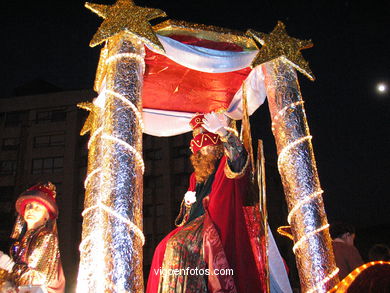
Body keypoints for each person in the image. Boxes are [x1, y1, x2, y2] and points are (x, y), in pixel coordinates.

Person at [146, 112, 264, 292]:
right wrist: (187, 204)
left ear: (217, 150)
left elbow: (239, 161)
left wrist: (224, 133)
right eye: (201, 153)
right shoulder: (196, 177)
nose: (204, 155)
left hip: (215, 221)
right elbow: (185, 216)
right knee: (161, 248)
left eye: (208, 150)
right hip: (194, 224)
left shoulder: (225, 164)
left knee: (179, 245)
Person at [0, 182, 65, 293]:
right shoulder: (21, 241)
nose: (31, 210)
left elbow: (37, 277)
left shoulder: (46, 237)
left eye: (37, 208)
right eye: (29, 206)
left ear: (46, 216)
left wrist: (9, 265)